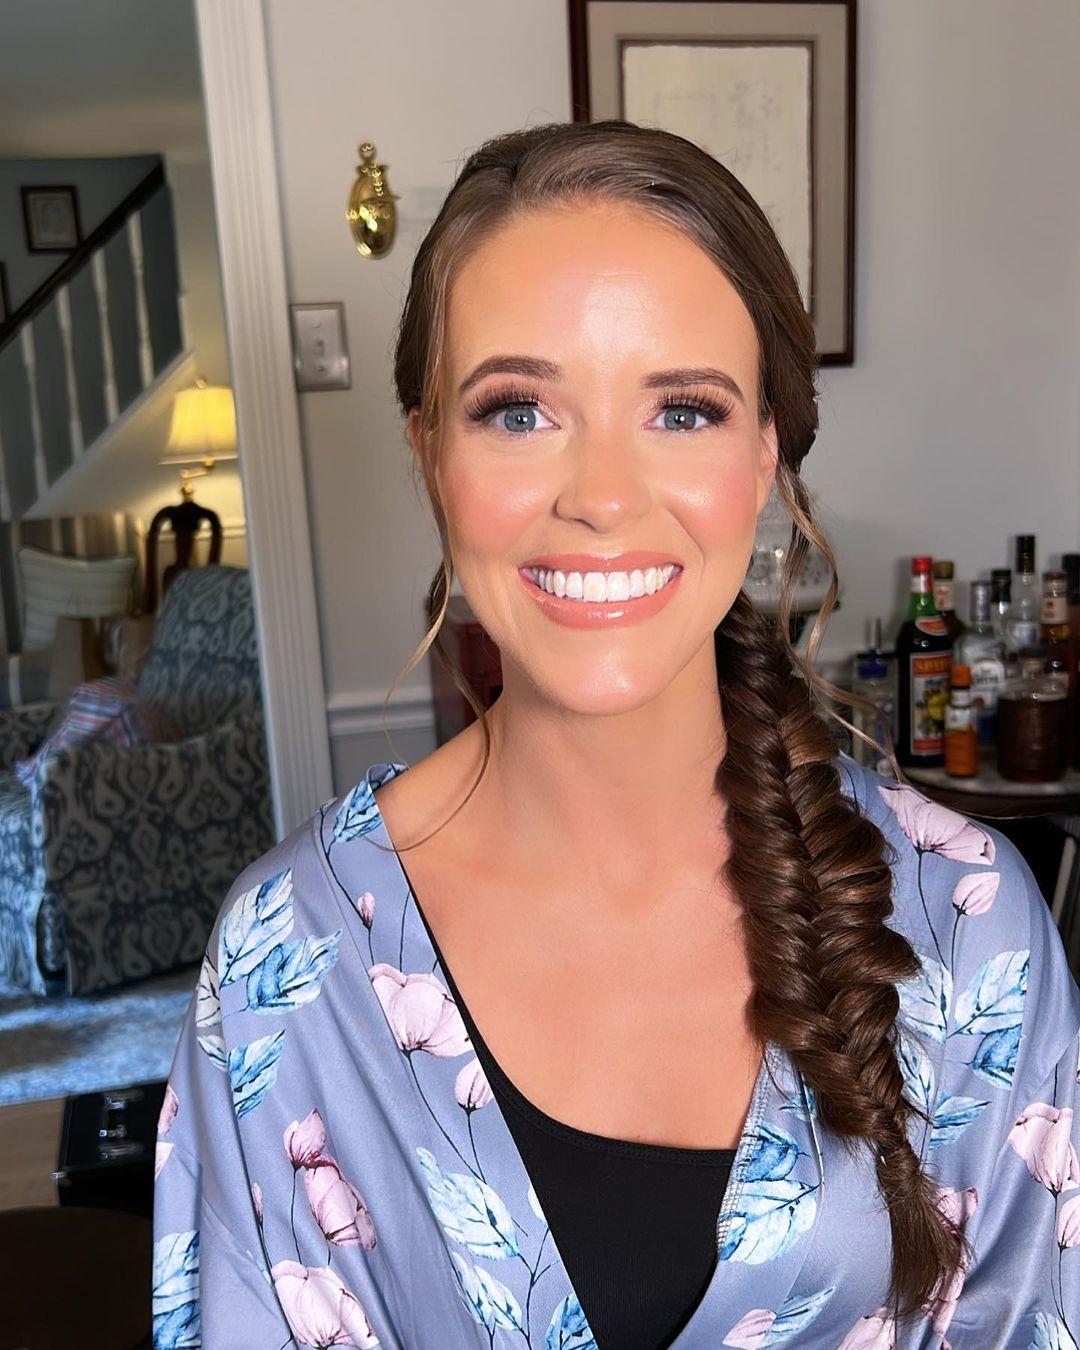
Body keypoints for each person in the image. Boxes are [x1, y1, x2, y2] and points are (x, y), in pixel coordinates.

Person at [152, 120, 1080, 1350]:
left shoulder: (971, 923)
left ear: (766, 456)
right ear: (430, 452)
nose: (600, 497)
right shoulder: (288, 964)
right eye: (518, 412)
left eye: (683, 412)